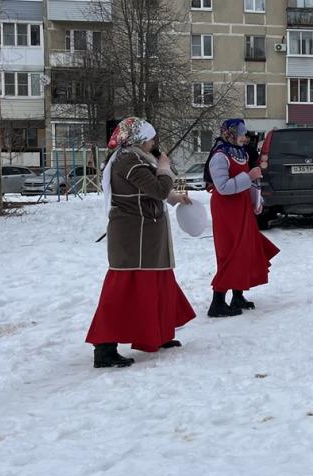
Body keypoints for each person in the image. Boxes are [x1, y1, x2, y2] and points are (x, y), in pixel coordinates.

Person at [85, 117, 196, 368]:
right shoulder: (129, 160)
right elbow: (156, 188)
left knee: (157, 282)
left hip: (146, 233)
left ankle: (157, 333)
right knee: (123, 289)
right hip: (133, 235)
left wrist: (173, 196)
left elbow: (148, 190)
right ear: (139, 139)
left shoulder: (134, 158)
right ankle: (104, 347)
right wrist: (165, 168)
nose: (154, 142)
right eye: (151, 138)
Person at [206, 118, 280, 317]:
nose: (244, 137)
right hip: (226, 211)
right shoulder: (219, 156)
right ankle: (217, 302)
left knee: (245, 248)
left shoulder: (240, 153)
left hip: (241, 207)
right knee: (230, 251)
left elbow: (248, 181)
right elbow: (222, 187)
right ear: (229, 133)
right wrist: (249, 177)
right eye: (241, 133)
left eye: (244, 133)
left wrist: (257, 200)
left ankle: (237, 294)